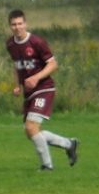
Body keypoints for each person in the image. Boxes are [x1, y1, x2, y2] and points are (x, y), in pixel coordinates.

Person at [5, 9, 79, 171]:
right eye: (14, 24)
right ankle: (69, 144)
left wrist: (36, 78)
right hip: (29, 92)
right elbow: (16, 66)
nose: (17, 27)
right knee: (31, 132)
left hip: (44, 88)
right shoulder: (10, 44)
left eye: (20, 23)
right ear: (10, 26)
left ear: (25, 24)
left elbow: (53, 64)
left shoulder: (37, 42)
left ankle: (47, 166)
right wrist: (17, 85)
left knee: (31, 127)